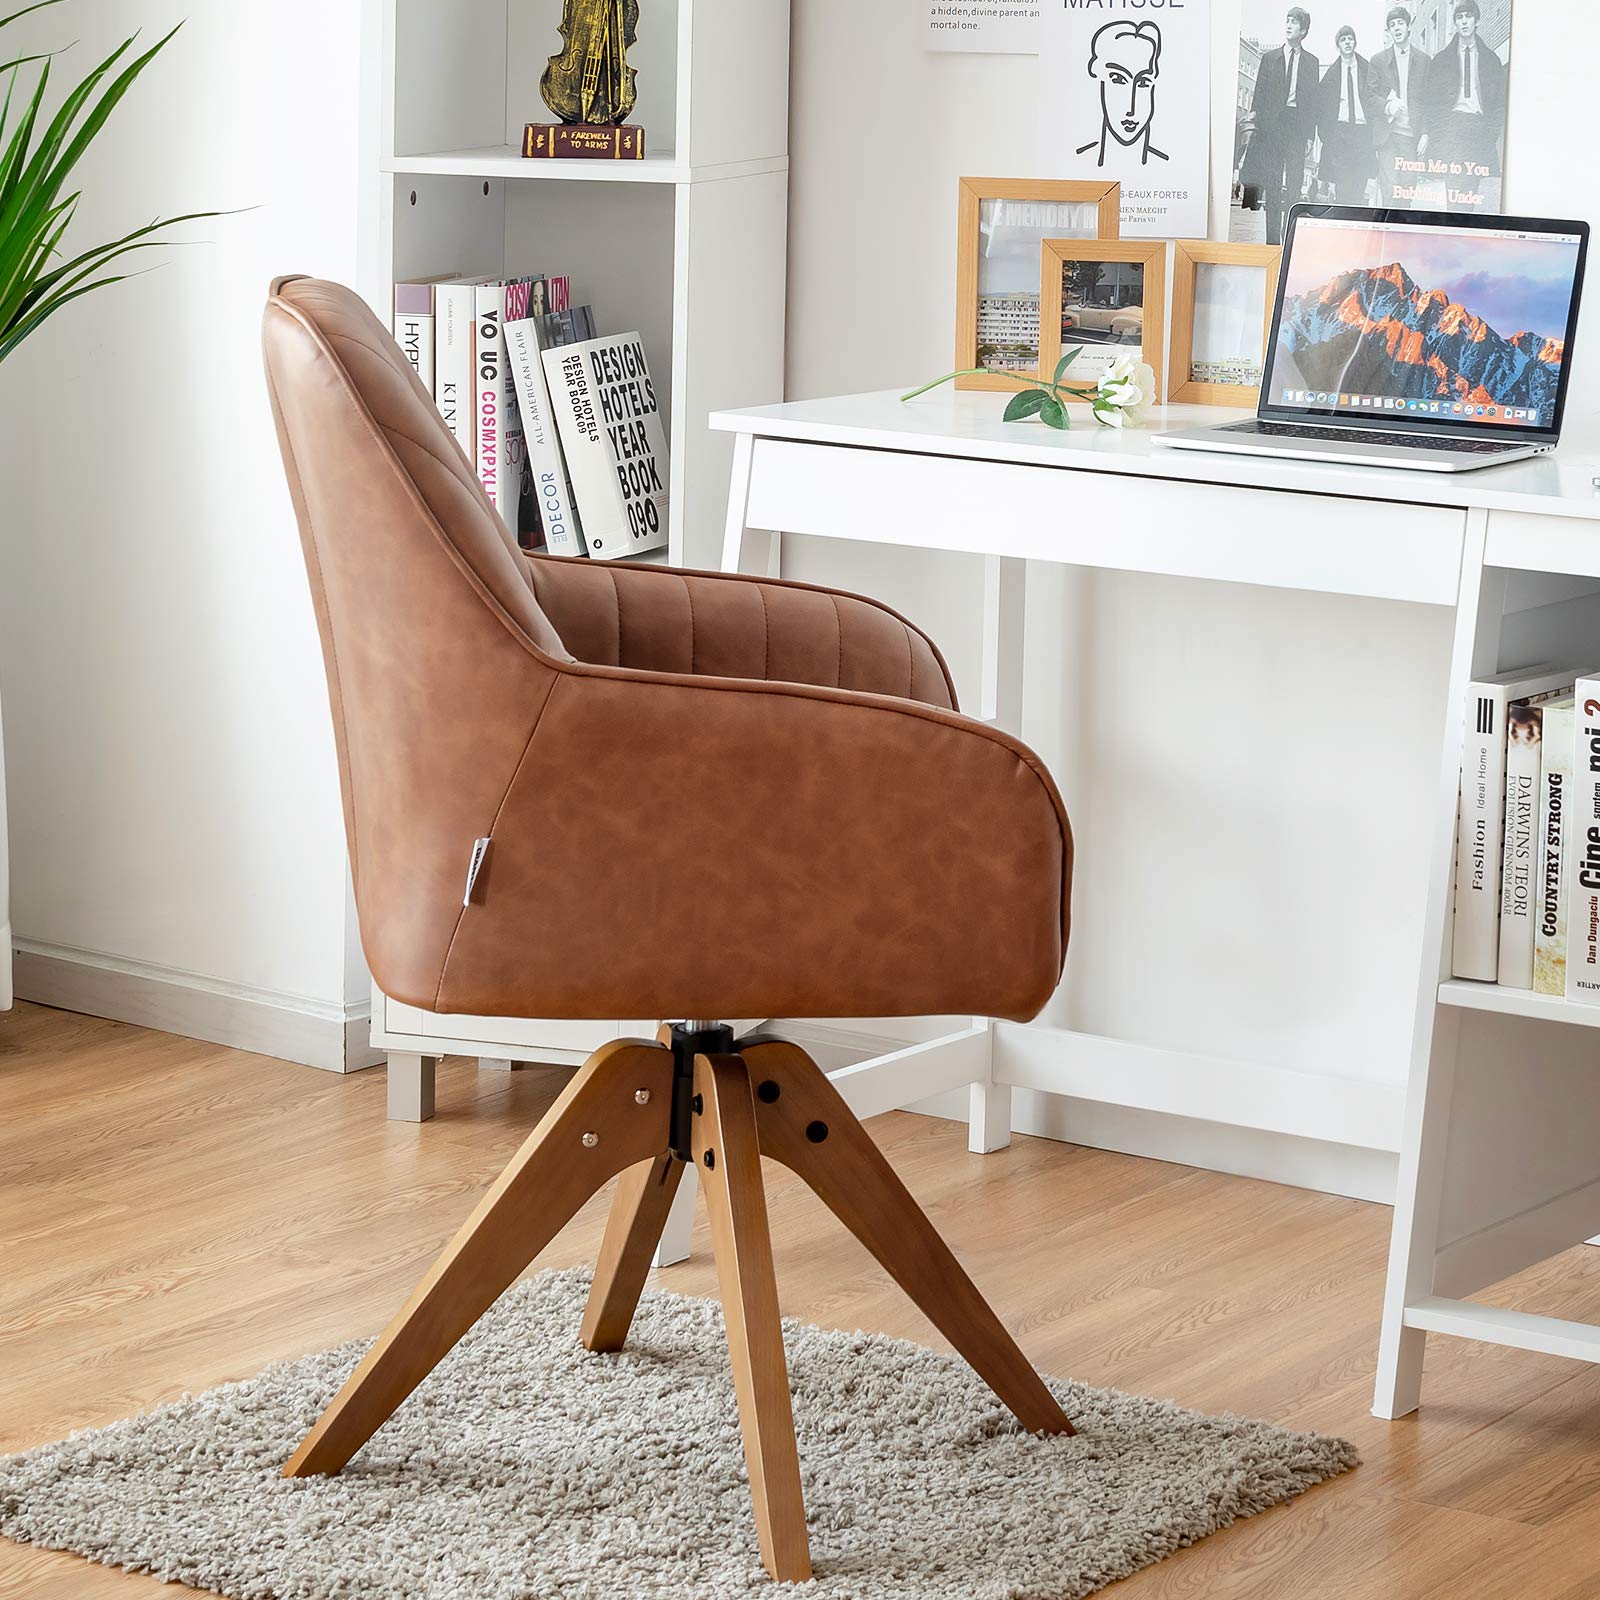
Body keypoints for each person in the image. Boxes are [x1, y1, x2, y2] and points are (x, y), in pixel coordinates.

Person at [1241, 9, 1321, 245]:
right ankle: (1272, 240)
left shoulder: (1311, 62)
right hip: (1272, 127)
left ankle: (1290, 238)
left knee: (1295, 184)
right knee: (1273, 183)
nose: (1288, 25)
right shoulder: (1269, 58)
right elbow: (1258, 95)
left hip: (1296, 125)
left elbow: (1312, 103)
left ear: (1303, 30)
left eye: (1294, 23)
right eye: (1287, 21)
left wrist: (1309, 136)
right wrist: (1255, 127)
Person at [1419, 0, 1507, 200]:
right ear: (1455, 24)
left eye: (1468, 16)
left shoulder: (1491, 59)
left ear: (1477, 21)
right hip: (1452, 130)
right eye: (1459, 17)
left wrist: (1490, 134)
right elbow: (1430, 102)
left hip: (1479, 130)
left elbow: (1499, 104)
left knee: (1471, 194)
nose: (1464, 22)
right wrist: (1439, 132)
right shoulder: (1441, 60)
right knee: (1455, 193)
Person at [1076, 19, 1168, 167]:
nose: (1131, 109)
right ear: (1098, 75)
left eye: (1143, 83)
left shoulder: (1169, 166)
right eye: (1118, 79)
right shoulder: (1075, 163)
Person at [1367, 5, 1431, 206]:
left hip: (1411, 138)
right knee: (1390, 192)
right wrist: (1387, 106)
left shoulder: (1423, 60)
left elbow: (1429, 101)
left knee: (1407, 193)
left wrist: (1426, 133)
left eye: (1400, 23)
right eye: (1392, 25)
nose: (1396, 28)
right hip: (1388, 138)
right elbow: (1369, 96)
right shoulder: (1378, 61)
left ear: (1409, 26)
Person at [1316, 25, 1377, 203]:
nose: (1347, 42)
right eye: (1343, 39)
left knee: (1360, 184)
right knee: (1342, 185)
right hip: (1340, 134)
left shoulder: (1367, 68)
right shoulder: (1331, 75)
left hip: (1363, 133)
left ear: (1355, 42)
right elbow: (1321, 107)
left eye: (1350, 38)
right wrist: (1327, 136)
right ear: (1338, 46)